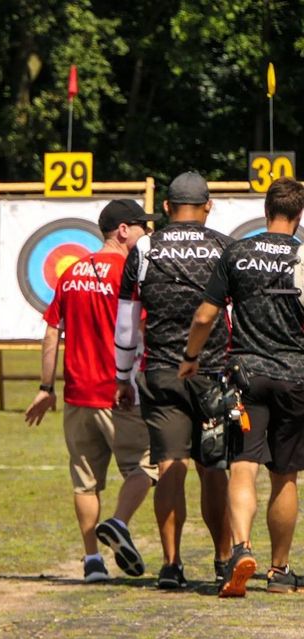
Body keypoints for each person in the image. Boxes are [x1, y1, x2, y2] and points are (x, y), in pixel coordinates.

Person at [179, 176, 304, 597]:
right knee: (285, 475)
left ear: (266, 210)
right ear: (299, 215)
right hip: (296, 376)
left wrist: (191, 357)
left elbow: (203, 317)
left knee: (243, 465)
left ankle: (240, 550)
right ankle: (281, 571)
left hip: (246, 374)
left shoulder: (238, 252)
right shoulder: (303, 255)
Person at [25, 200, 159, 582]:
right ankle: (119, 522)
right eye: (140, 228)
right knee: (151, 461)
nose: (145, 235)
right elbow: (143, 329)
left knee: (84, 482)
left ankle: (92, 561)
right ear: (122, 231)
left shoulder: (71, 274)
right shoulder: (131, 274)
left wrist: (46, 387)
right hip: (120, 394)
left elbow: (53, 331)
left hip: (76, 395)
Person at [114, 171, 233, 589]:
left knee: (169, 465)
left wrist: (122, 376)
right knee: (214, 467)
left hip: (160, 370)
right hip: (212, 369)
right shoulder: (223, 247)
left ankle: (171, 565)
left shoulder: (144, 246)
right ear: (208, 206)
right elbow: (232, 313)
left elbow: (127, 323)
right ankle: (224, 561)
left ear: (166, 207)